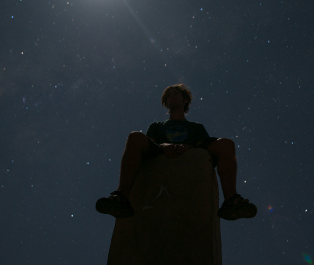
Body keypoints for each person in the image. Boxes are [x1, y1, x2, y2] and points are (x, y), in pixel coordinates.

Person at [95, 84, 257, 221]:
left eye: (176, 94)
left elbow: (202, 146)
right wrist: (163, 145)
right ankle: (121, 196)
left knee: (227, 144)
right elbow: (149, 144)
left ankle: (231, 200)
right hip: (159, 149)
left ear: (185, 100)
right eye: (168, 96)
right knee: (134, 137)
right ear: (165, 103)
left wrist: (189, 147)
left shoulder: (196, 127)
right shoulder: (157, 125)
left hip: (190, 150)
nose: (171, 97)